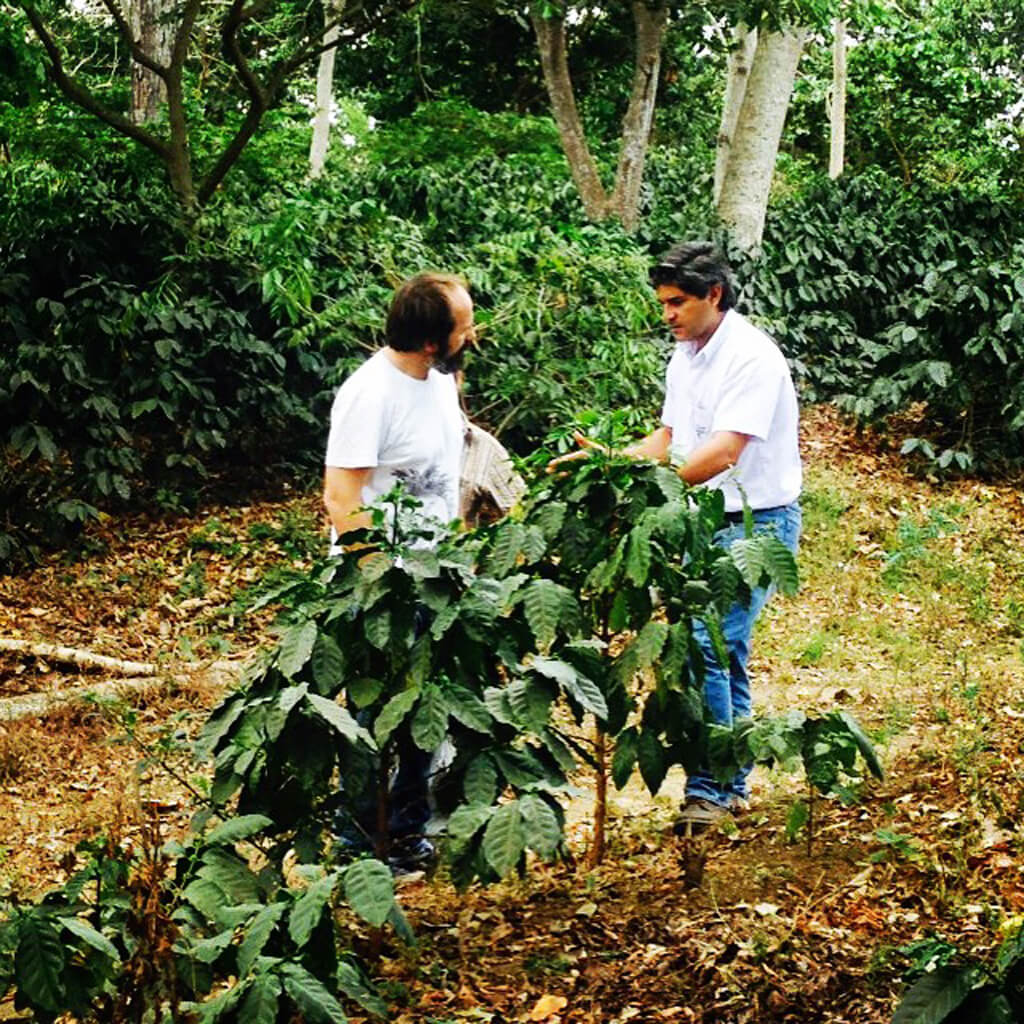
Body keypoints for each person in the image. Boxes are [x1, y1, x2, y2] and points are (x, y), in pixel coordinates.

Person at [554, 241, 802, 834]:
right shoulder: (686, 354)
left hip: (753, 524)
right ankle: (730, 780)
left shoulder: (751, 357)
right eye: (662, 302)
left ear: (713, 295)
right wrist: (608, 463)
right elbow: (671, 439)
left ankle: (712, 788)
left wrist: (644, 482)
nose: (666, 314)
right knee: (717, 652)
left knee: (707, 650)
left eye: (677, 302)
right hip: (698, 518)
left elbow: (721, 452)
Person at [323, 271, 475, 871]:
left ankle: (408, 836)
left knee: (426, 716)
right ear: (433, 340)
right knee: (370, 722)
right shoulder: (369, 395)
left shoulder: (439, 382)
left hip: (438, 575)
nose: (473, 333)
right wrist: (378, 577)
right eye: (464, 326)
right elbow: (341, 498)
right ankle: (357, 847)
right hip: (380, 586)